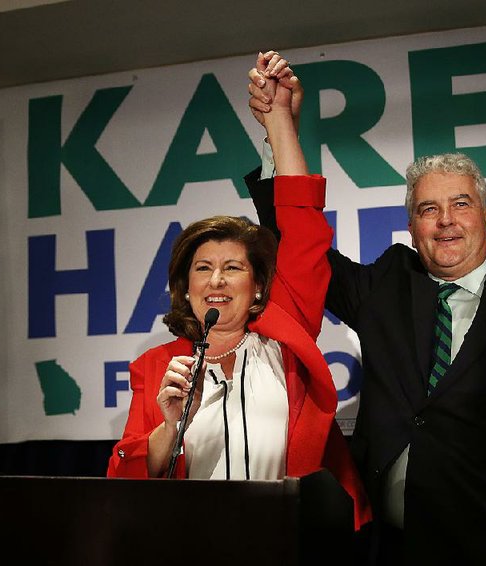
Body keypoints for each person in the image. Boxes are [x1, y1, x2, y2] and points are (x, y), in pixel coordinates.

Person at [246, 51, 486, 565]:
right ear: (411, 226)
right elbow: (299, 247)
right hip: (388, 552)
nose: (446, 221)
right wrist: (279, 132)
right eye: (428, 209)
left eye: (461, 204)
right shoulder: (386, 286)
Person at [107, 55, 371, 531]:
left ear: (257, 289)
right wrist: (170, 427)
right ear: (184, 290)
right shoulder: (157, 368)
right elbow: (126, 481)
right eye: (203, 268)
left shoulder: (284, 340)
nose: (216, 280)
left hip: (296, 541)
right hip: (194, 545)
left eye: (233, 268)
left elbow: (303, 227)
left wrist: (279, 121)